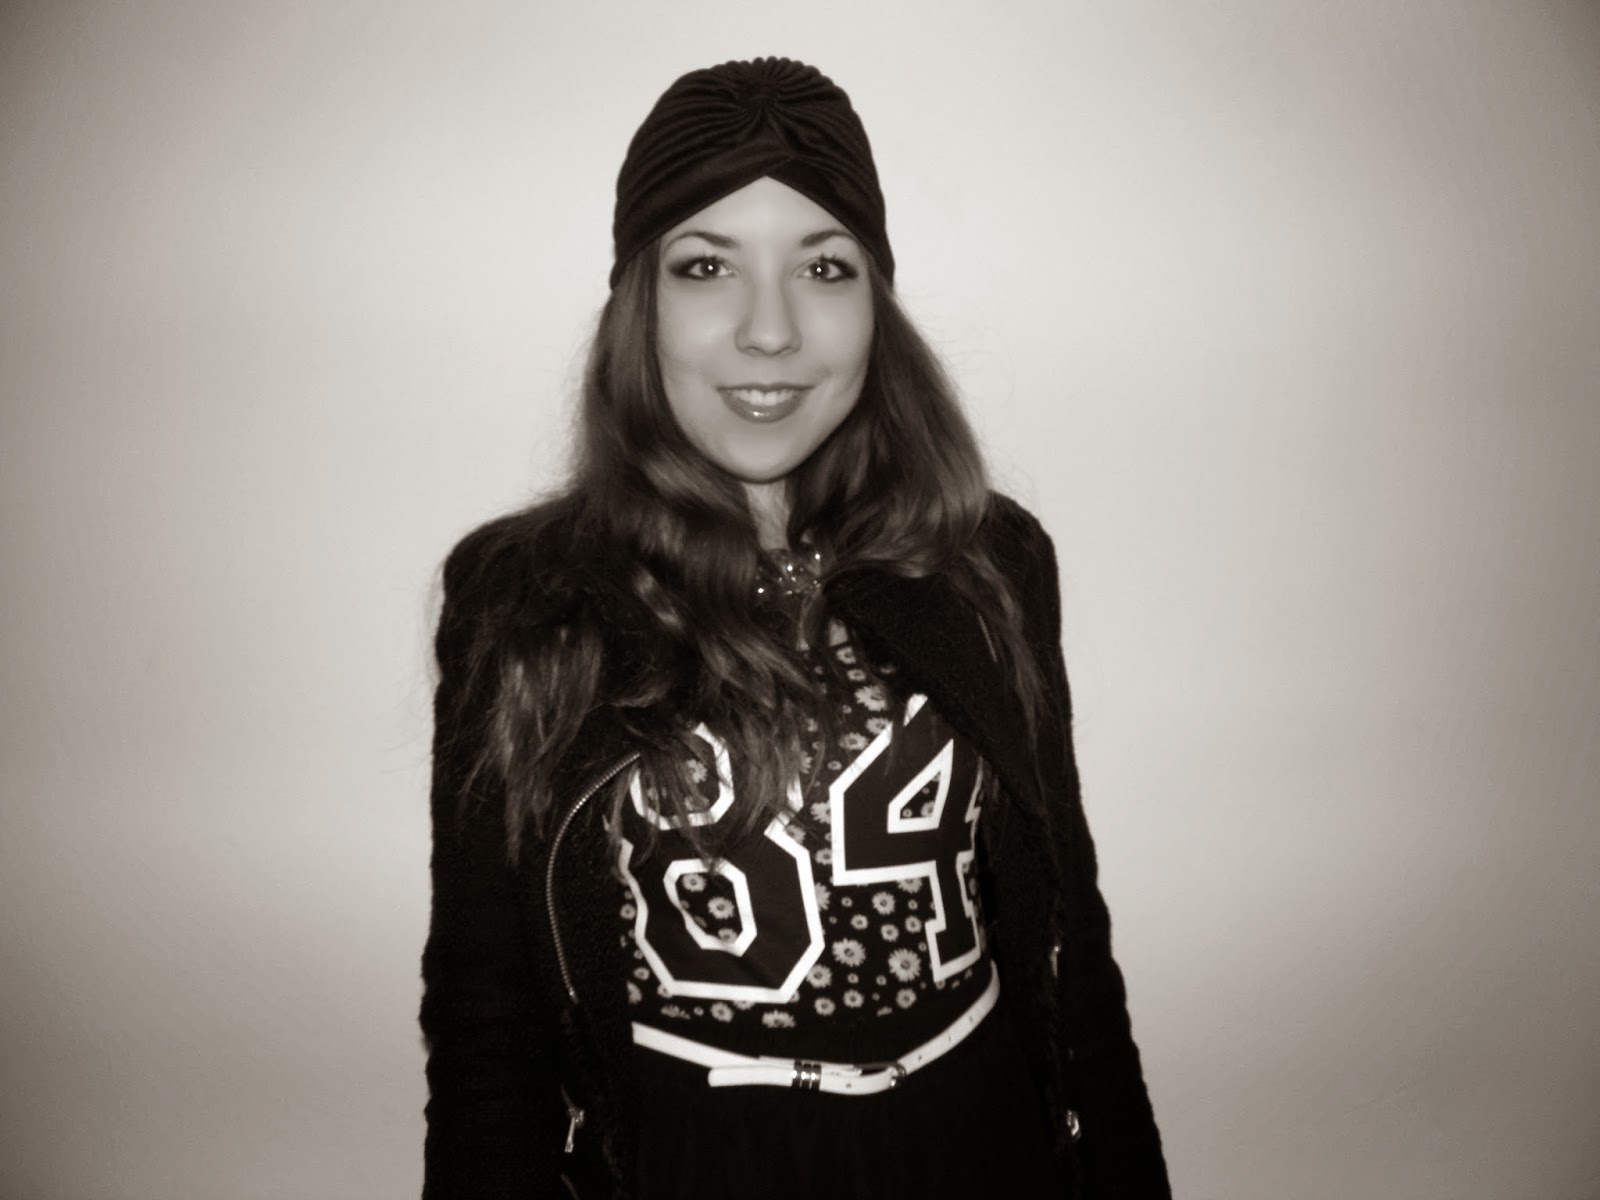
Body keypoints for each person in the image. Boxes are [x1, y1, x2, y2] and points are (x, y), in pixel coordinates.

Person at [421, 56, 1169, 1199]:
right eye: (706, 265)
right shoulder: (523, 596)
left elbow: (1072, 936)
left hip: (982, 1143)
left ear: (876, 304)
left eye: (824, 267)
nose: (768, 330)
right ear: (637, 304)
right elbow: (487, 1017)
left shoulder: (992, 561)